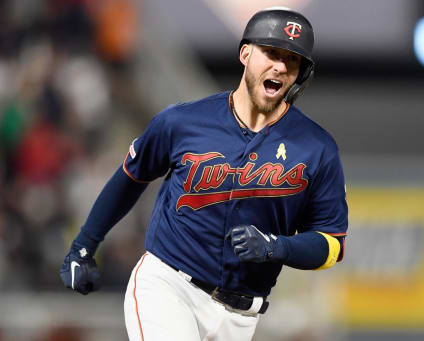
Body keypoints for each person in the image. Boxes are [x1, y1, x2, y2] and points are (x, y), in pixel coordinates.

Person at [60, 7, 348, 341]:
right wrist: (83, 246)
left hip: (241, 317)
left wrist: (277, 247)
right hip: (169, 286)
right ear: (245, 53)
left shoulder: (316, 148)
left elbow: (332, 244)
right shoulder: (183, 122)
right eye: (271, 52)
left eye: (292, 60)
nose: (280, 66)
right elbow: (130, 178)